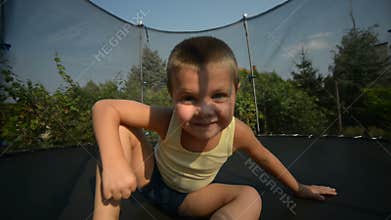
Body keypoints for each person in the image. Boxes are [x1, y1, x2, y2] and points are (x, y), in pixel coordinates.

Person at [92, 36, 337, 220]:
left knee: (250, 197)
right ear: (172, 95)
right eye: (189, 98)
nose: (205, 110)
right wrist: (114, 165)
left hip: (189, 200)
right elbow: (104, 107)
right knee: (119, 132)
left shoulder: (237, 133)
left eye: (218, 95)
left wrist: (298, 188)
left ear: (236, 92)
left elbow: (265, 157)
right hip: (146, 178)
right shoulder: (168, 120)